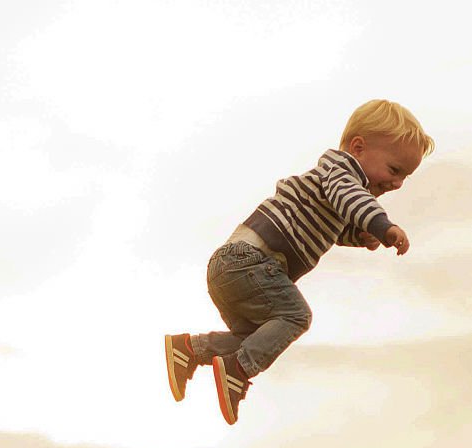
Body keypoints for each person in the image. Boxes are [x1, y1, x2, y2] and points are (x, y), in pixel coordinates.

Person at [165, 100, 434, 425]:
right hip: (250, 261)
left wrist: (359, 235)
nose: (397, 184)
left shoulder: (331, 187)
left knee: (260, 338)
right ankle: (238, 370)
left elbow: (334, 221)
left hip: (231, 268)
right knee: (295, 316)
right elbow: (352, 199)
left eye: (405, 177)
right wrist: (382, 225)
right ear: (358, 148)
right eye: (394, 170)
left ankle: (189, 350)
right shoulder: (341, 172)